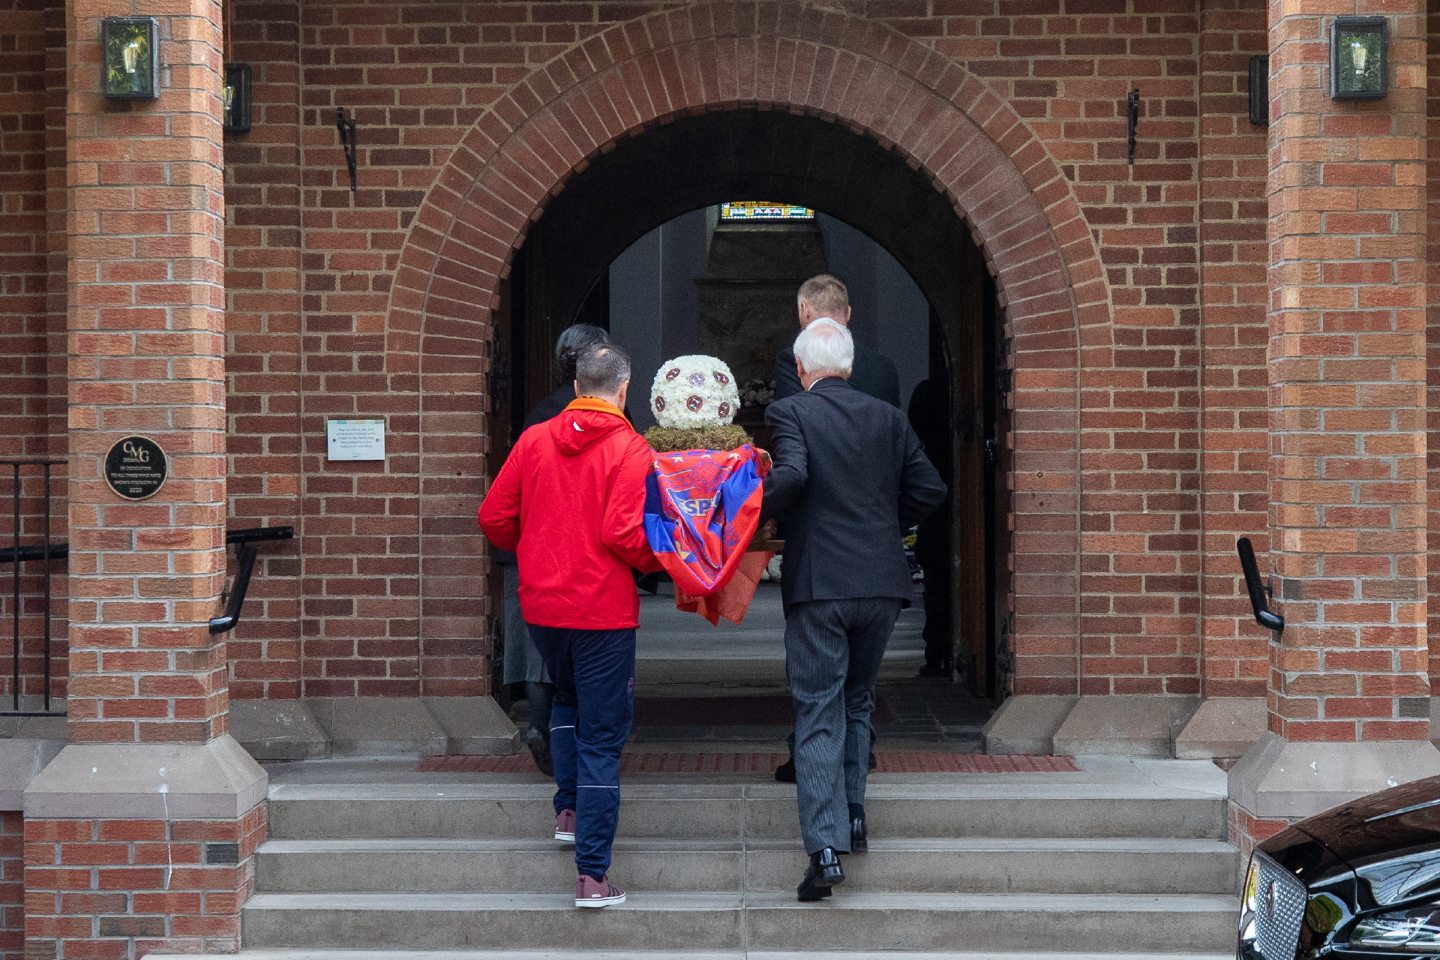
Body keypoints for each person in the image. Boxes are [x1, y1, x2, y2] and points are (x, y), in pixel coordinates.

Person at [761, 318, 946, 902]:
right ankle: (856, 817)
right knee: (858, 701)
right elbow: (931, 489)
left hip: (821, 582)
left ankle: (824, 848)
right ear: (850, 366)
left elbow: (792, 475)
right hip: (881, 581)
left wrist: (741, 510)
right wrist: (887, 526)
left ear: (800, 369)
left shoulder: (790, 412)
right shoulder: (889, 418)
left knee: (818, 708)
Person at [479, 342, 661, 909]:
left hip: (543, 604)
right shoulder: (631, 448)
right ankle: (592, 875)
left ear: (578, 385)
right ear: (624, 389)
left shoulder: (534, 440)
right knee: (603, 737)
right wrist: (663, 560)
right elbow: (624, 534)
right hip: (602, 609)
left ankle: (567, 811)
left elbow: (493, 516)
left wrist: (533, 546)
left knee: (564, 698)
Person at [771, 274, 899, 784]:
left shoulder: (793, 366)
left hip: (820, 547)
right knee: (858, 690)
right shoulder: (882, 367)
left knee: (817, 683)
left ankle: (814, 767)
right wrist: (887, 518)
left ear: (804, 314)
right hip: (875, 543)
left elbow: (796, 455)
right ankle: (855, 780)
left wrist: (745, 514)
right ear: (848, 315)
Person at [496, 323, 614, 775]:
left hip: (531, 548)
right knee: (577, 652)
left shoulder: (539, 414)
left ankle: (539, 727)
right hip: (579, 549)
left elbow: (500, 506)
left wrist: (519, 541)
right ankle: (565, 737)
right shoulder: (606, 417)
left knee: (533, 650)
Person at [773, 273, 900, 407]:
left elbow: (794, 414)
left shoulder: (793, 360)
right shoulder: (884, 366)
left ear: (805, 310)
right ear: (848, 313)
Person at [907, 376, 955, 677]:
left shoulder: (927, 393)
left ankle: (937, 651)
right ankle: (940, 650)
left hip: (935, 519)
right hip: (944, 505)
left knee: (936, 585)